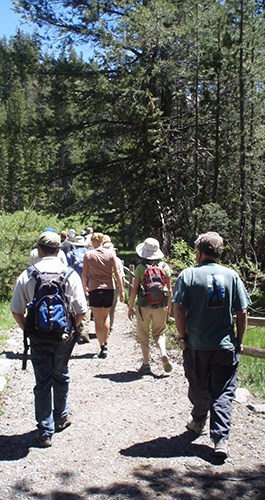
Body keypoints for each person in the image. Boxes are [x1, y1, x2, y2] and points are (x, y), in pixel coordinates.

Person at [173, 231, 250, 459]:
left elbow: (178, 309)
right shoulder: (232, 275)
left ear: (199, 252)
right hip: (224, 345)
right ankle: (220, 439)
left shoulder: (187, 275)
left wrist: (182, 336)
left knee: (198, 386)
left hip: (196, 344)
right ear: (219, 252)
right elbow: (242, 311)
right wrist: (239, 341)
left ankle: (198, 420)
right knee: (224, 391)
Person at [10, 231, 87, 448]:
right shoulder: (69, 274)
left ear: (40, 249)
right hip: (63, 336)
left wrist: (28, 330)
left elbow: (16, 309)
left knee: (42, 380)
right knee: (61, 374)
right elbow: (81, 309)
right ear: (59, 250)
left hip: (38, 337)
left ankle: (45, 431)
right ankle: (61, 417)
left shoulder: (28, 274)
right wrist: (71, 327)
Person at [128, 237, 173, 374]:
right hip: (161, 305)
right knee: (159, 333)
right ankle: (163, 352)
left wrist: (130, 307)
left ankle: (146, 364)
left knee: (143, 335)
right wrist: (169, 306)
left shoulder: (141, 268)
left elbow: (134, 289)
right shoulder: (165, 267)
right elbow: (170, 289)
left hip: (143, 305)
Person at [82, 232, 125, 358]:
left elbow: (84, 274)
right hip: (109, 289)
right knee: (105, 317)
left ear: (93, 242)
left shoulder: (89, 255)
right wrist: (122, 290)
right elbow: (117, 273)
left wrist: (84, 288)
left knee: (97, 319)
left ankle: (102, 346)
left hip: (95, 289)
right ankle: (105, 343)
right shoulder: (111, 254)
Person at [66, 235, 90, 343]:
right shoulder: (88, 253)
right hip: (88, 281)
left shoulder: (71, 254)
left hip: (74, 282)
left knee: (73, 306)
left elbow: (67, 269)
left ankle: (76, 328)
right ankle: (84, 329)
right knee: (86, 305)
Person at [103, 241, 125, 332]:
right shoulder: (117, 260)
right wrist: (122, 290)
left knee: (103, 308)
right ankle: (109, 326)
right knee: (112, 308)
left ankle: (103, 326)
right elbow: (121, 275)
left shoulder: (99, 259)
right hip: (114, 286)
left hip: (102, 285)